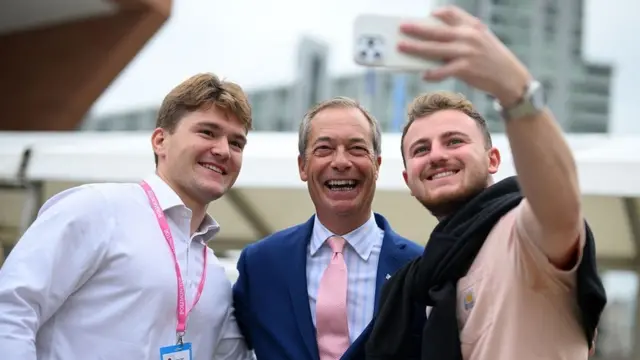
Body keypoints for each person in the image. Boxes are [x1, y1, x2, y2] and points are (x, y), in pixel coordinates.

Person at [364, 5, 606, 360]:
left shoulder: (524, 232)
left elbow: (560, 200)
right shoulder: (422, 281)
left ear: (493, 159)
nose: (436, 155)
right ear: (408, 179)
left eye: (454, 141)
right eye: (420, 149)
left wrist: (516, 93)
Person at [0, 73, 255, 360]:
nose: (223, 150)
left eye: (237, 143)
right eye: (207, 132)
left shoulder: (216, 277)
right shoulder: (97, 209)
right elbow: (10, 309)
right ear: (160, 141)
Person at [232, 97, 424, 360]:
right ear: (302, 166)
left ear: (377, 165)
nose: (341, 162)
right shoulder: (261, 264)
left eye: (357, 149)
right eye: (324, 149)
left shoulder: (418, 268)